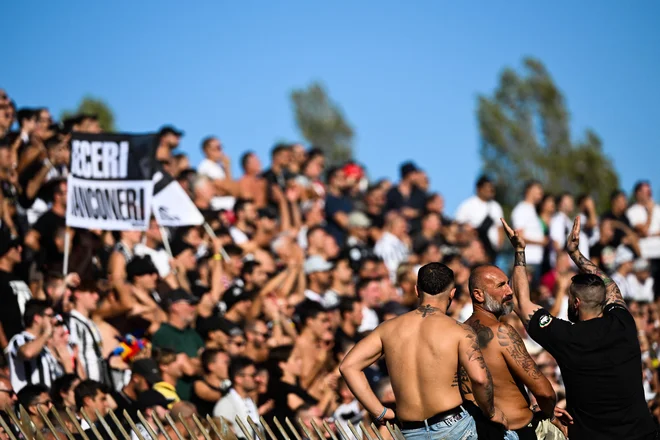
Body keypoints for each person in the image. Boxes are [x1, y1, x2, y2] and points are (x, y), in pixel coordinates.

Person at [501, 216, 658, 439]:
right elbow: (609, 285)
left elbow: (523, 303)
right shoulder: (624, 322)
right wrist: (575, 254)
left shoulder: (566, 336)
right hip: (643, 434)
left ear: (576, 303)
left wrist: (519, 251)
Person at [340, 262, 507, 440]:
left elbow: (348, 366)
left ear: (416, 290)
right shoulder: (459, 331)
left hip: (411, 431)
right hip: (454, 427)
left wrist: (380, 412)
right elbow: (480, 379)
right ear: (452, 293)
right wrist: (491, 413)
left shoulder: (388, 329)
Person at [462, 264, 560, 439]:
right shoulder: (502, 332)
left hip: (480, 431)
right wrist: (549, 414)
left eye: (507, 283)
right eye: (501, 286)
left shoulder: (459, 333)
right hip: (516, 429)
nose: (509, 291)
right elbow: (545, 392)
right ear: (478, 294)